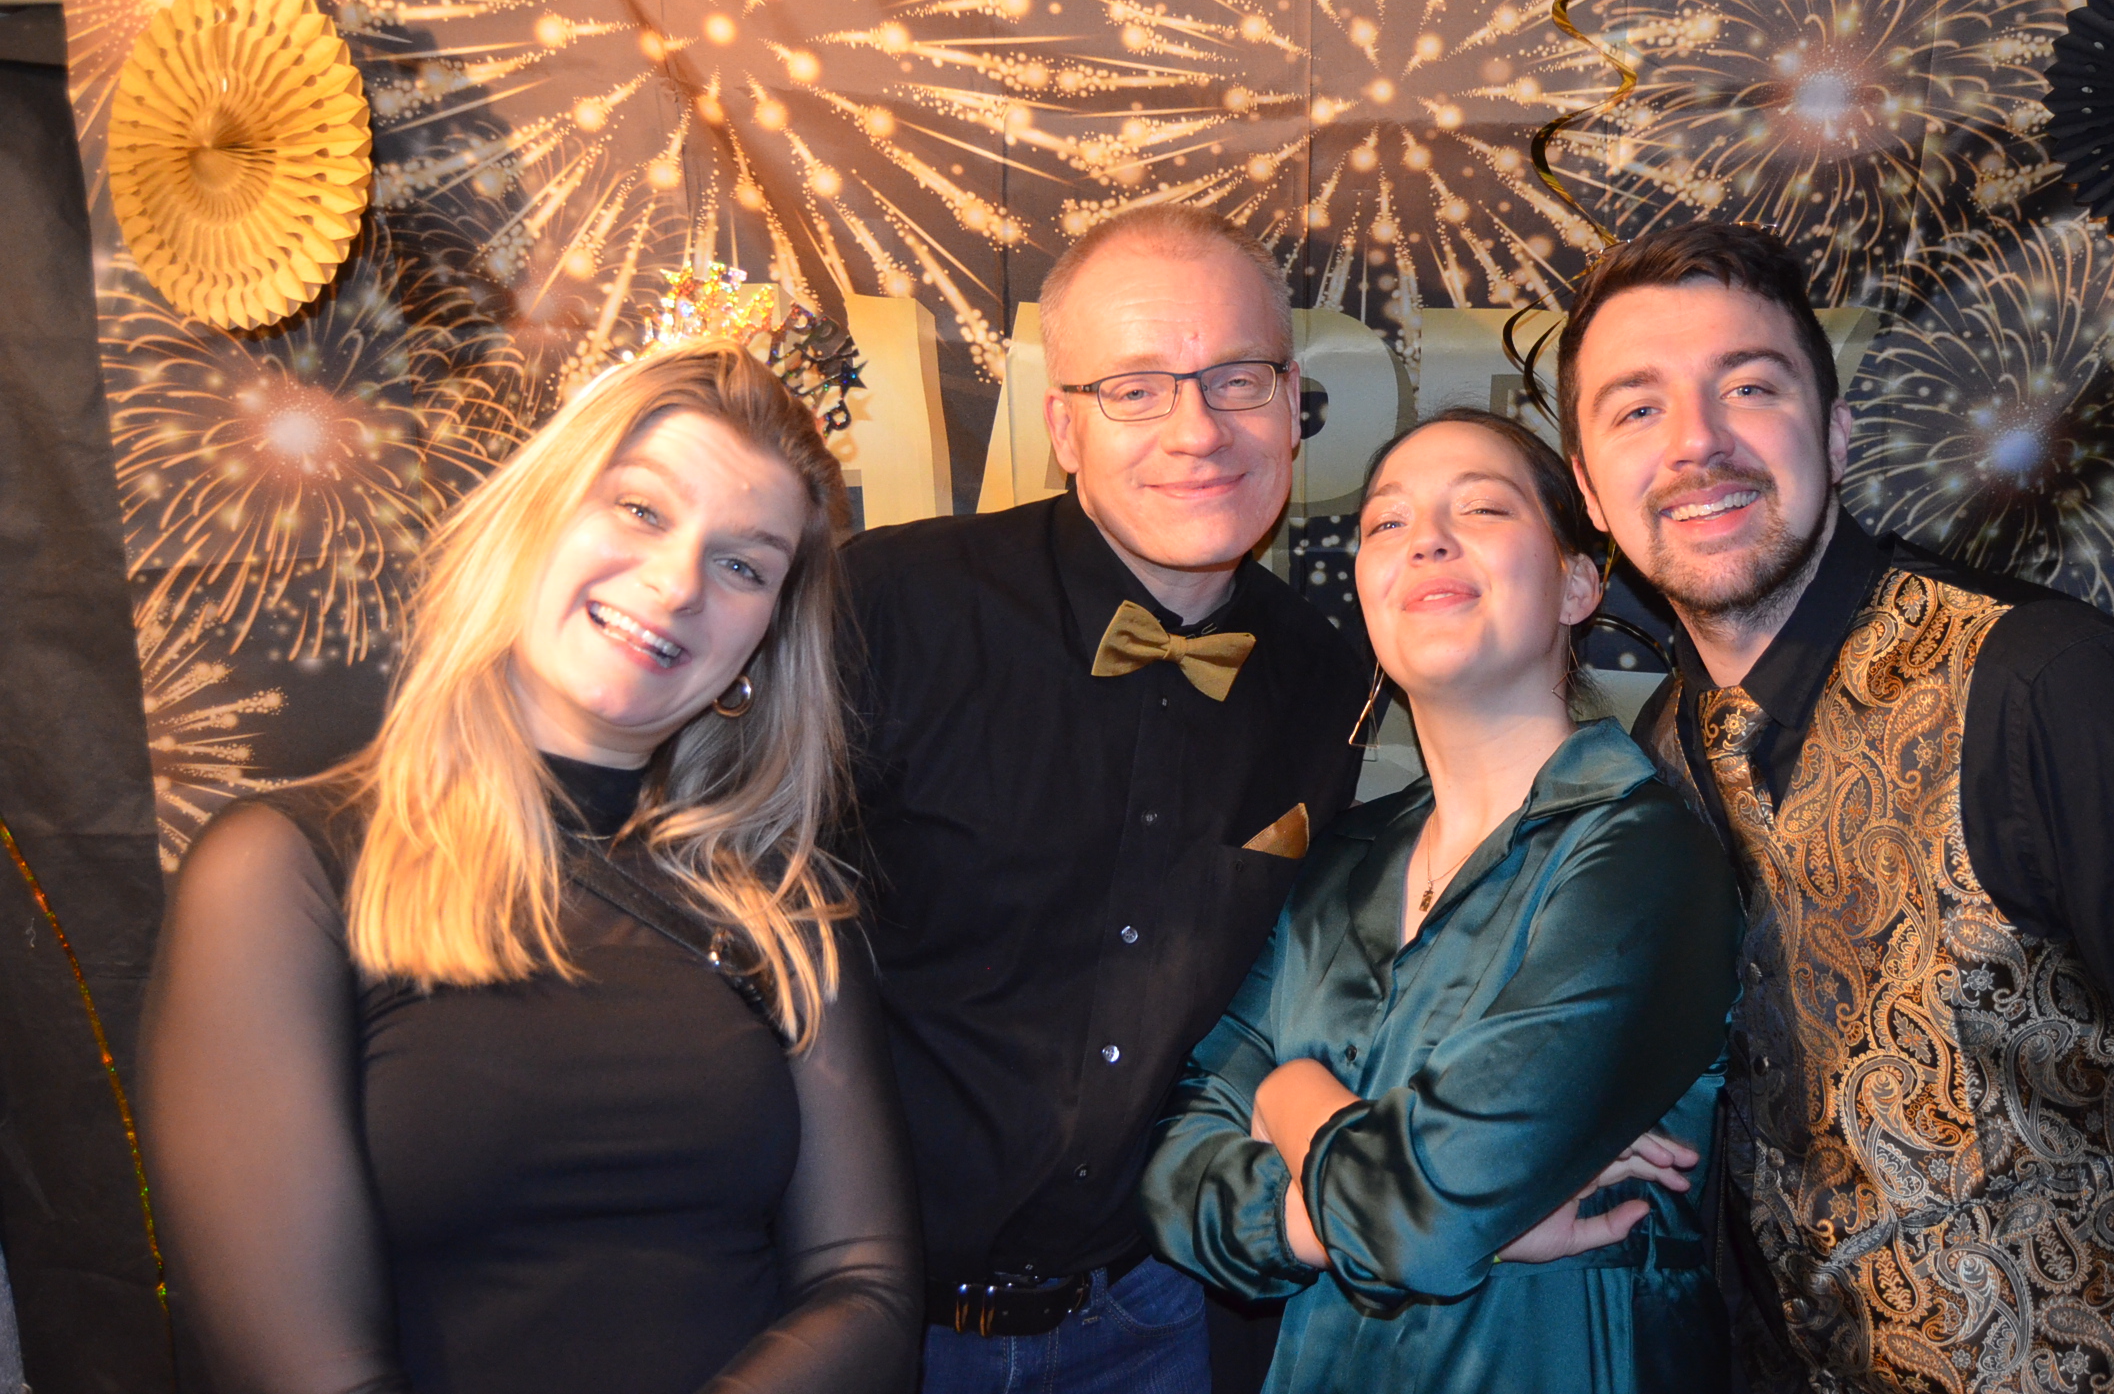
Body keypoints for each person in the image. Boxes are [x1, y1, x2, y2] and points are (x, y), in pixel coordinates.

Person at [1556, 221, 2114, 1394]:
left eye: (1750, 386)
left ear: (1834, 433)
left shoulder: (2052, 693)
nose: (1697, 441)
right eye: (1637, 408)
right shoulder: (1659, 765)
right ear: (1589, 491)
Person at [139, 345, 921, 1394]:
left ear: (762, 645)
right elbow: (302, 1370)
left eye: (744, 565)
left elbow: (864, 1285)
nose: (677, 583)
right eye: (640, 509)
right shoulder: (287, 874)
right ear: (533, 520)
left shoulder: (780, 910)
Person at [839, 205, 1368, 1393]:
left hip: (1155, 1326)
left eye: (1236, 379)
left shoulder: (1327, 678)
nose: (1197, 430)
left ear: (1291, 404)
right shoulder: (889, 605)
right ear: (1062, 426)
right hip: (878, 1332)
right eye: (1136, 390)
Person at [1138, 409, 1741, 1393]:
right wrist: (1366, 1214)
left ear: (1578, 583)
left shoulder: (1643, 856)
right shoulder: (1338, 860)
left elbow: (1428, 1218)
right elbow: (1173, 1171)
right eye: (1387, 522)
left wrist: (1289, 1095)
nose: (1426, 540)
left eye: (1483, 509)